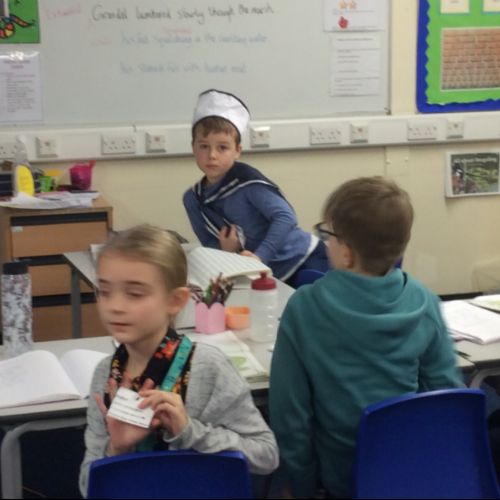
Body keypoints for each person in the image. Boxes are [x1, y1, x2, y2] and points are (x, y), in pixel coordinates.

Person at [269, 176, 463, 499]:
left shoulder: (305, 307)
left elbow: (290, 415)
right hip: (411, 471)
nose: (324, 242)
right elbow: (445, 396)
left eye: (327, 235)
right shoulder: (425, 301)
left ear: (346, 253)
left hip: (341, 476)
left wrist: (302, 486)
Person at [79, 224, 278, 496]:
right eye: (104, 292)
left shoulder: (207, 367)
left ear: (175, 300)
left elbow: (266, 455)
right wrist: (117, 449)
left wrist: (188, 431)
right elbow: (88, 487)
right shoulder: (105, 376)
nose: (115, 306)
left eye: (135, 294)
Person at [183, 89, 329, 286]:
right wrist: (227, 253)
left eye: (222, 147)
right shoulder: (193, 199)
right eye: (204, 146)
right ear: (193, 147)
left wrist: (260, 256)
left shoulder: (248, 183)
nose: (212, 155)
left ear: (237, 151)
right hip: (260, 271)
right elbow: (209, 243)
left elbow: (286, 218)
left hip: (304, 259)